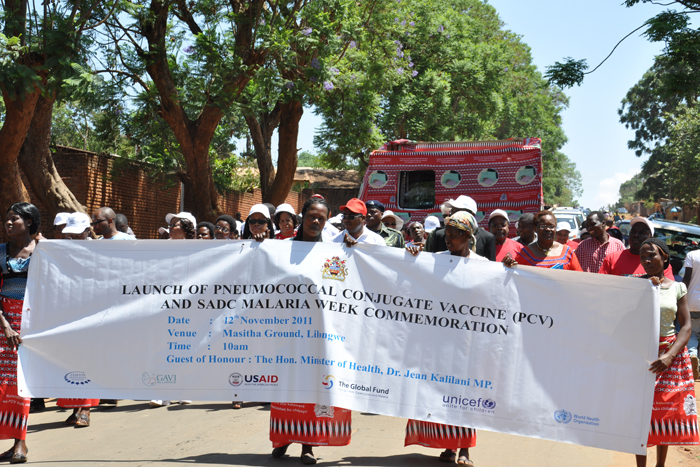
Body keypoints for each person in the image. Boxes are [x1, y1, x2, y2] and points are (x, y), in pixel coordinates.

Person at [268, 197, 351, 465]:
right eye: (312, 216)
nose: (316, 221)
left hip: (317, 335)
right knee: (286, 389)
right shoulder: (281, 249)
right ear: (302, 217)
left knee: (312, 390)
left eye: (322, 218)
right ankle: (282, 439)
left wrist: (353, 253)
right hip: (285, 333)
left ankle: (308, 445)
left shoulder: (332, 253)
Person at [405, 211, 481, 466]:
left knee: (465, 396)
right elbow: (409, 269)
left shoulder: (482, 265)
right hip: (437, 343)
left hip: (467, 344)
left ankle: (465, 450)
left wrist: (510, 268)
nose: (447, 240)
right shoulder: (435, 260)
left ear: (468, 236)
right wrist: (412, 254)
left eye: (453, 235)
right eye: (446, 234)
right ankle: (448, 446)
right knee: (440, 393)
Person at [636, 238, 699, 466]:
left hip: (670, 357)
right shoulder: (635, 285)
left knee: (664, 413)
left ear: (664, 257)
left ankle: (660, 465)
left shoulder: (678, 287)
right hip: (642, 357)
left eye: (651, 255)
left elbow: (686, 326)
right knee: (641, 415)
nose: (647, 260)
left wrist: (669, 355)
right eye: (643, 256)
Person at [0, 202, 40, 463]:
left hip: (31, 325)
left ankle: (20, 443)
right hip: (3, 322)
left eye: (15, 219)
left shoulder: (44, 251)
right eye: (7, 219)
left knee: (19, 384)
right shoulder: (1, 252)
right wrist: (5, 325)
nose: (9, 223)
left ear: (30, 222)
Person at [56, 212, 101, 426]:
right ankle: (75, 407)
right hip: (68, 311)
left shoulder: (100, 251)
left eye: (76, 234)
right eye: (69, 235)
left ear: (86, 231)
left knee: (89, 359)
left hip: (92, 312)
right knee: (69, 359)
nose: (72, 238)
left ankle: (86, 408)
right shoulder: (62, 250)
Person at [503, 211, 582, 271]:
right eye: (543, 226)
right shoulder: (524, 254)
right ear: (535, 228)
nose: (548, 229)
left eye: (551, 226)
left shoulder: (567, 252)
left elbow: (578, 278)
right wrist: (508, 266)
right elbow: (517, 278)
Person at [599, 218, 674, 279]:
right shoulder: (612, 259)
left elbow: (667, 291)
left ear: (651, 237)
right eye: (633, 232)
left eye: (642, 233)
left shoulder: (660, 263)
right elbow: (601, 285)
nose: (636, 235)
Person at [425, 196, 496, 260]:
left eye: (457, 211)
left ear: (471, 215)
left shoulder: (487, 238)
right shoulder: (439, 235)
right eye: (452, 211)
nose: (453, 215)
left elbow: (490, 270)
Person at [683, 246, 700, 380]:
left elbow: (687, 277)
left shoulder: (692, 255)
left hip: (693, 302)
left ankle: (692, 356)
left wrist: (680, 295)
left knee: (692, 334)